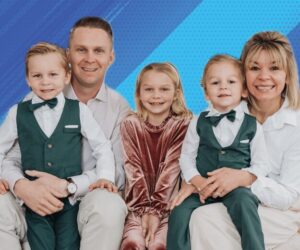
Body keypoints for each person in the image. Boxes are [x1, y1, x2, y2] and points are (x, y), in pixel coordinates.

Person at [0, 16, 130, 250]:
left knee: (109, 204)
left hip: (85, 200)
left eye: (98, 51)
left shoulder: (120, 109)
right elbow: (11, 156)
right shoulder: (34, 100)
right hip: (33, 198)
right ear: (68, 55)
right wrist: (22, 186)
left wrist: (69, 186)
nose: (90, 59)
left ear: (111, 58)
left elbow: (117, 173)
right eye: (81, 49)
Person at [186, 31, 300, 250]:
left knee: (205, 220)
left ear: (287, 75)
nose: (264, 76)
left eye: (274, 68)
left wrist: (244, 178)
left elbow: (288, 196)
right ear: (242, 75)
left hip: (285, 210)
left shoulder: (296, 125)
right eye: (254, 68)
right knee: (197, 216)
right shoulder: (227, 110)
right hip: (236, 201)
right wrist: (190, 181)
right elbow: (201, 152)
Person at [167, 54, 270, 250]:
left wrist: (243, 179)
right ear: (206, 92)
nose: (223, 87)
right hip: (202, 187)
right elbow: (186, 158)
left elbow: (262, 164)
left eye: (231, 81)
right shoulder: (198, 121)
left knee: (246, 204)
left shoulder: (253, 125)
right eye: (215, 82)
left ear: (244, 90)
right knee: (178, 212)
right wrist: (198, 182)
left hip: (236, 188)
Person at [119, 62, 192, 250]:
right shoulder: (130, 124)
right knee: (133, 243)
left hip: (169, 207)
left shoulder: (184, 124)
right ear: (138, 93)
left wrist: (156, 211)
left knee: (158, 245)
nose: (156, 96)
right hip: (136, 206)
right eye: (149, 89)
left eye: (164, 89)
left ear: (175, 93)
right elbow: (132, 169)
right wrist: (144, 210)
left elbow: (171, 169)